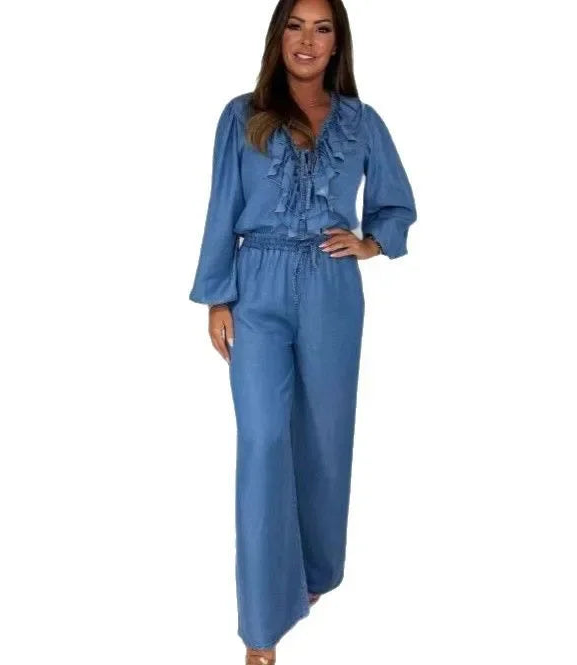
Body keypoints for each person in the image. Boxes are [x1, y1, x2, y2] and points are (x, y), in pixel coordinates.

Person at [188, 0, 417, 662]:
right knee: (262, 440)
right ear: (278, 36)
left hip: (330, 287)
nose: (307, 40)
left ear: (337, 42)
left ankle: (314, 572)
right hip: (256, 284)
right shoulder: (242, 116)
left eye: (322, 28)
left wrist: (370, 242)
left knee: (322, 436)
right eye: (295, 25)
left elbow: (396, 202)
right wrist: (218, 295)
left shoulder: (361, 121)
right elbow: (222, 205)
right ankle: (261, 628)